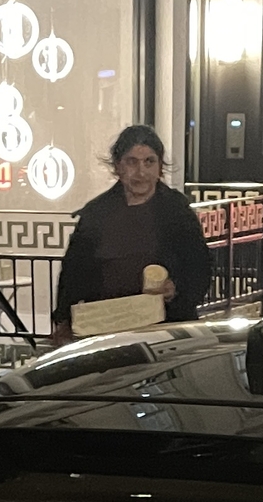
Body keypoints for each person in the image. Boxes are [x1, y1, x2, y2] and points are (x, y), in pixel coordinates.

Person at [51, 124, 211, 343]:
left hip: (165, 331)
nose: (141, 172)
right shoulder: (96, 214)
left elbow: (200, 266)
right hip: (105, 330)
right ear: (118, 167)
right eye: (132, 162)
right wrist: (64, 320)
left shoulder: (177, 211)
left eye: (149, 162)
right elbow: (73, 273)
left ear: (160, 167)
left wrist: (177, 289)